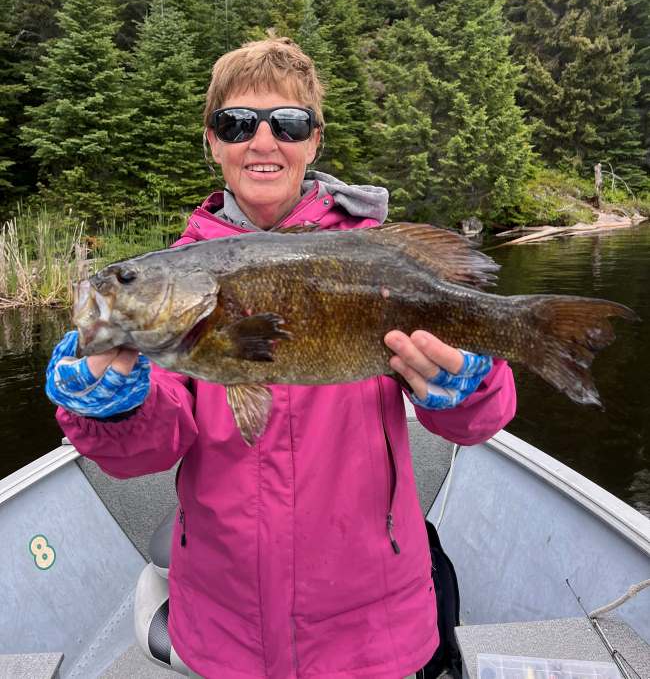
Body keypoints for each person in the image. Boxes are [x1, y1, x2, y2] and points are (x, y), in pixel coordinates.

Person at [46, 38, 516, 679]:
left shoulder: (371, 253)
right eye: (236, 123)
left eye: (287, 124)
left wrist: (472, 388)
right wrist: (107, 408)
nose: (262, 142)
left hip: (372, 625)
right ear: (211, 141)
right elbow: (147, 453)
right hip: (225, 626)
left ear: (314, 141)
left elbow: (474, 426)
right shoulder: (180, 286)